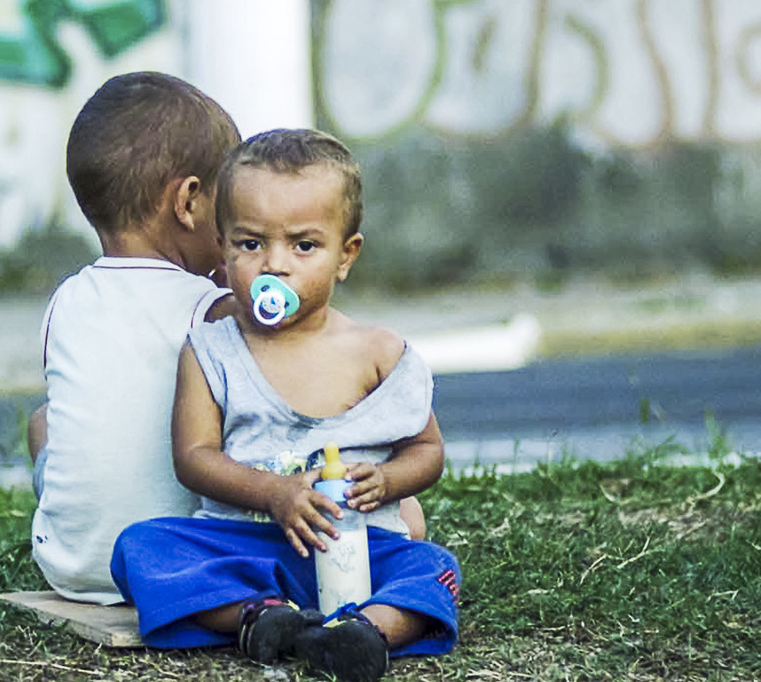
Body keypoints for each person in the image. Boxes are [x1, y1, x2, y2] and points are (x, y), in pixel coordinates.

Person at [110, 129, 460, 682]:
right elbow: (194, 458)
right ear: (222, 249)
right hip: (247, 547)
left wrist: (389, 481)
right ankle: (260, 617)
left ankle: (365, 633)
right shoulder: (210, 350)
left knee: (434, 568)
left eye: (304, 246)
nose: (274, 265)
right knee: (141, 548)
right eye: (251, 245)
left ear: (345, 255)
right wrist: (274, 493)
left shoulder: (378, 353)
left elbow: (428, 450)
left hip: (358, 547)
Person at [28, 71, 241, 603]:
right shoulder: (210, 309)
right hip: (179, 562)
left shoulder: (66, 299)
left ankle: (75, 531)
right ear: (189, 202)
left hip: (69, 568)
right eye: (230, 204)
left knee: (42, 422)